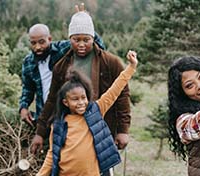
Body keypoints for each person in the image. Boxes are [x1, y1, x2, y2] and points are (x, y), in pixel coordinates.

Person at [31, 11, 132, 157]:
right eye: (76, 39)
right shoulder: (61, 66)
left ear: (93, 38)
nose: (81, 44)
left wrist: (123, 130)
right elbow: (53, 100)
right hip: (72, 131)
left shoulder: (110, 62)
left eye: (86, 39)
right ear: (69, 39)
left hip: (102, 128)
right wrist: (40, 132)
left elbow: (122, 96)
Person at [36, 50, 138, 176]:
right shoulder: (58, 124)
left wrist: (131, 67)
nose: (81, 102)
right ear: (65, 102)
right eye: (75, 99)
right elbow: (52, 154)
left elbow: (115, 90)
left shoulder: (96, 111)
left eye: (83, 98)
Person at [19, 23, 105, 127]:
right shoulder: (28, 62)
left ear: (49, 39)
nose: (37, 47)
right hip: (45, 115)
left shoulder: (61, 49)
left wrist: (84, 22)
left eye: (41, 42)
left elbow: (96, 45)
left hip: (68, 113)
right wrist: (23, 107)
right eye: (33, 43)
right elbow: (27, 89)